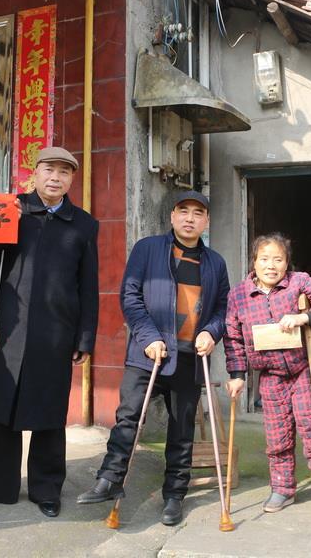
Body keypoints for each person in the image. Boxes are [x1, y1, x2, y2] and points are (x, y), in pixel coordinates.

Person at [77, 191, 229, 526]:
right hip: (148, 354)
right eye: (183, 211)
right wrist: (149, 337)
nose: (190, 218)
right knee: (129, 416)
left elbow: (222, 308)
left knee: (182, 429)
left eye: (198, 213)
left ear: (206, 221)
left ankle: (174, 494)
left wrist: (211, 332)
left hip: (190, 357)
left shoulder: (215, 263)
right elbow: (130, 296)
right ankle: (110, 479)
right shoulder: (147, 249)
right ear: (172, 216)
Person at [0, 146, 99, 518]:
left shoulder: (84, 225)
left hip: (57, 333)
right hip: (8, 328)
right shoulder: (12, 210)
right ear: (35, 173)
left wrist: (84, 337)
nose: (56, 178)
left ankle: (47, 489)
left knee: (50, 412)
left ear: (71, 179)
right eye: (49, 170)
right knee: (4, 407)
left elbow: (88, 286)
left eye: (64, 172)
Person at [223, 233, 311, 513]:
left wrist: (304, 317)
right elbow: (232, 338)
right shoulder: (239, 295)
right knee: (277, 434)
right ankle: (282, 488)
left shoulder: (298, 282)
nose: (271, 265)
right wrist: (237, 374)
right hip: (270, 375)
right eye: (264, 259)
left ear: (287, 262)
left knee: (310, 423)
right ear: (254, 262)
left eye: (278, 259)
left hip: (302, 369)